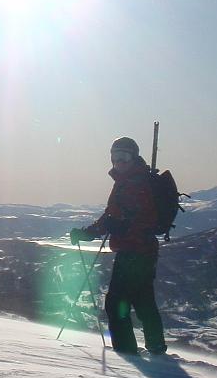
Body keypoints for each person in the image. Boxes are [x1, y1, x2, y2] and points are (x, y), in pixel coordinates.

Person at [70, 137, 167, 355]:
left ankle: (127, 354)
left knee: (116, 304)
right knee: (143, 301)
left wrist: (117, 227)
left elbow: (138, 218)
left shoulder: (136, 183)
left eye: (124, 158)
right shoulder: (128, 181)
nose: (119, 163)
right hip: (144, 251)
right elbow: (113, 216)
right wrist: (90, 232)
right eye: (115, 159)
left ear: (134, 158)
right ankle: (157, 349)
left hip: (134, 251)